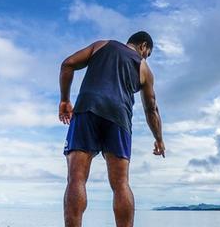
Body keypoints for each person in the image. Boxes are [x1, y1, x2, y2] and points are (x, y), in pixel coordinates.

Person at [58, 31, 165, 227]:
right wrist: (159, 138)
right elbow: (151, 109)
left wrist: (65, 99)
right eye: (147, 53)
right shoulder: (144, 69)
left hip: (87, 108)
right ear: (143, 46)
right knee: (120, 184)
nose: (145, 57)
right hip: (119, 118)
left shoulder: (102, 45)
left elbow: (68, 64)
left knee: (76, 179)